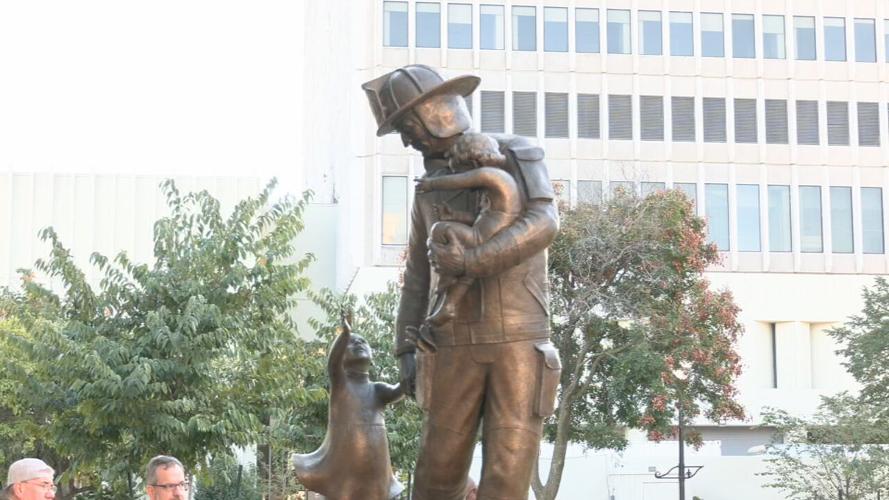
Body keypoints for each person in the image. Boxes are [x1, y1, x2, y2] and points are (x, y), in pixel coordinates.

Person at [363, 65, 562, 500]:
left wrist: (471, 261)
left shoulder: (517, 153)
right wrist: (405, 349)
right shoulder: (428, 186)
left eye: (407, 126)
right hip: (448, 340)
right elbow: (417, 274)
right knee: (436, 471)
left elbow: (544, 221)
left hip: (518, 338)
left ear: (434, 114)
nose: (407, 139)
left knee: (508, 471)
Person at [292, 319, 404, 500]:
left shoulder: (378, 389)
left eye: (363, 341)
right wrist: (345, 334)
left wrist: (414, 359)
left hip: (376, 467)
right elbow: (332, 364)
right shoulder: (341, 385)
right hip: (346, 466)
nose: (358, 343)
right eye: (352, 343)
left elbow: (402, 388)